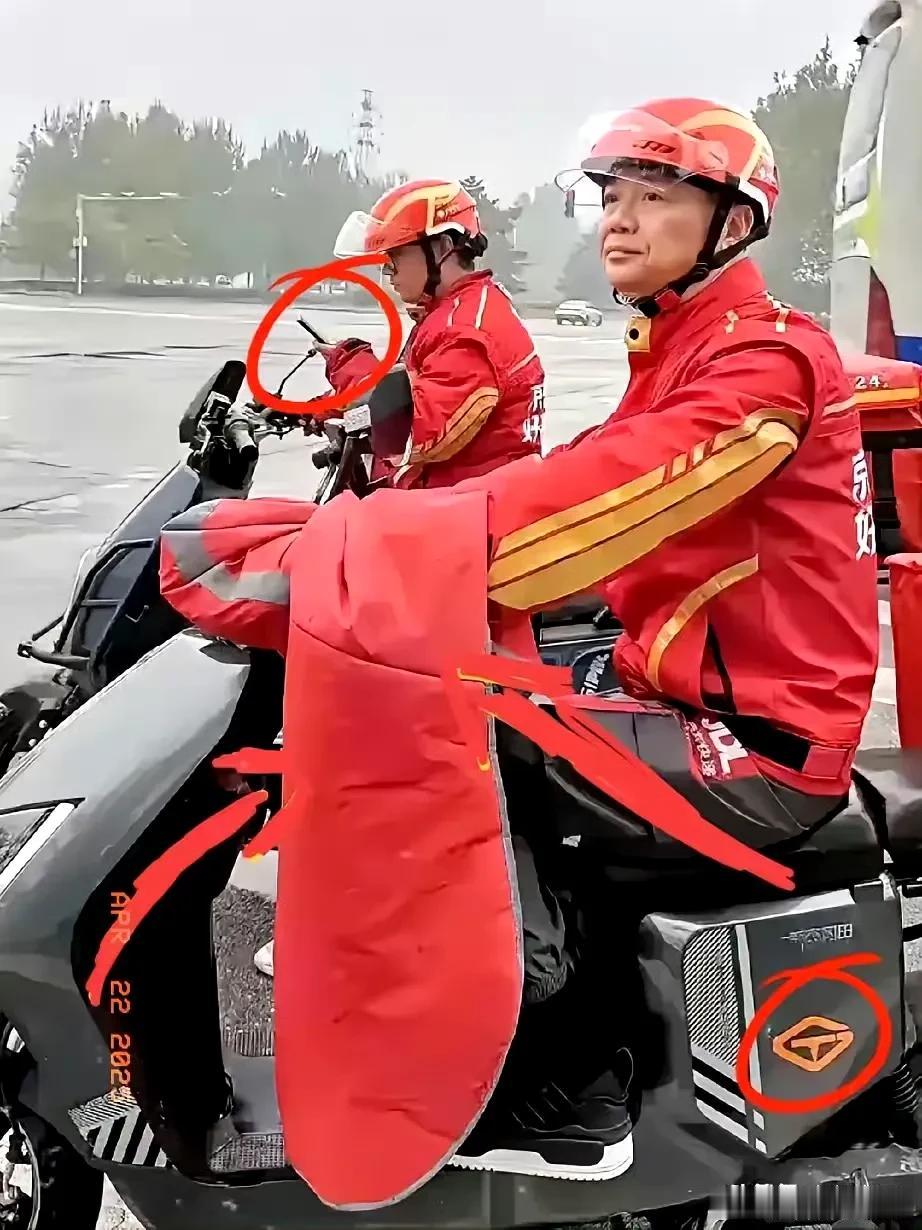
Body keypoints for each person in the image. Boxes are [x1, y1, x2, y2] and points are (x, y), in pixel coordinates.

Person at [160, 97, 879, 1183]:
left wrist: (354, 554)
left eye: (655, 196)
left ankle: (562, 1076)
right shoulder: (686, 344)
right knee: (460, 690)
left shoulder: (758, 368)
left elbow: (581, 515)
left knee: (471, 737)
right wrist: (352, 532)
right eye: (613, 197)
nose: (619, 220)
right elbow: (561, 477)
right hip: (674, 674)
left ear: (731, 224)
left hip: (760, 736)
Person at [313, 178, 547, 488]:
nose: (387, 271)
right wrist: (319, 408)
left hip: (464, 507)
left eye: (395, 256)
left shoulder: (465, 331)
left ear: (442, 248)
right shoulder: (457, 310)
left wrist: (348, 364)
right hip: (458, 498)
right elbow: (411, 386)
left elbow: (414, 427)